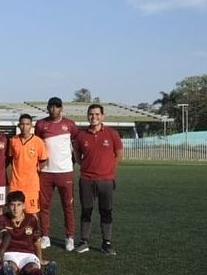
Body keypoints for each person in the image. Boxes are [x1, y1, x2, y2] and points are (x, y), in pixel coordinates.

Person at [73, 104, 124, 255]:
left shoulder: (112, 133)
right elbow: (77, 155)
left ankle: (106, 243)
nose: (93, 117)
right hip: (87, 179)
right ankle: (84, 241)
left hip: (106, 180)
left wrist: (109, 169)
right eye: (91, 114)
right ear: (87, 116)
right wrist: (87, 166)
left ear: (102, 116)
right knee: (86, 210)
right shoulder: (81, 136)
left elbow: (119, 154)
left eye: (97, 114)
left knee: (106, 211)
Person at [35, 97, 79, 251]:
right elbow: (37, 145)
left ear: (61, 108)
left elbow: (76, 144)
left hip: (65, 172)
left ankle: (69, 238)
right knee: (44, 206)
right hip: (46, 172)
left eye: (57, 107)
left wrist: (71, 162)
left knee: (68, 206)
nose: (54, 109)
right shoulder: (41, 124)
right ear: (47, 108)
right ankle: (45, 236)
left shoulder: (70, 125)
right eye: (51, 107)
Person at [0, 190, 57, 275]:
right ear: (7, 206)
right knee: (11, 266)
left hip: (28, 254)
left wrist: (40, 259)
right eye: (12, 205)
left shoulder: (31, 219)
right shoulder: (1, 219)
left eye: (19, 205)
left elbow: (36, 241)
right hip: (10, 253)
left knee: (32, 268)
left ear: (23, 206)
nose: (15, 209)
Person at [8, 114, 48, 216]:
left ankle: (34, 232)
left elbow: (43, 160)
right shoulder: (13, 140)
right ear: (18, 125)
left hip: (31, 186)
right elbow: (11, 157)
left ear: (31, 126)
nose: (24, 127)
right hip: (15, 184)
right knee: (14, 213)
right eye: (22, 124)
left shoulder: (38, 142)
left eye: (27, 124)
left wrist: (35, 171)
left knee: (32, 214)